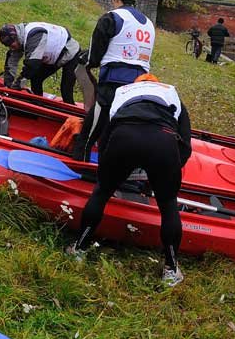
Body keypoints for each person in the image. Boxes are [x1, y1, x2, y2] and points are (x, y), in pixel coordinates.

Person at [67, 74, 192, 287]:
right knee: (168, 204)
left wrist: (108, 174)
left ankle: (79, 248)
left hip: (124, 135)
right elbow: (185, 146)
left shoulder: (122, 92)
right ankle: (171, 270)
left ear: (137, 85)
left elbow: (105, 139)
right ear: (156, 83)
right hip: (163, 138)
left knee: (101, 192)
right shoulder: (173, 94)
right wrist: (163, 177)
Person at [71, 0, 155, 161]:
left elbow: (95, 53)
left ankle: (80, 159)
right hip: (140, 84)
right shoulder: (149, 24)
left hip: (113, 83)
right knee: (117, 128)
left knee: (92, 128)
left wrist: (89, 63)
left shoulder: (111, 17)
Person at [0, 22, 81, 104]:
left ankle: (72, 111)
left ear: (16, 37)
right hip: (53, 54)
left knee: (66, 90)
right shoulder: (19, 39)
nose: (10, 47)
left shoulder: (33, 36)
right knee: (36, 79)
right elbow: (11, 62)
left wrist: (17, 85)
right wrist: (7, 86)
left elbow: (32, 66)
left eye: (11, 45)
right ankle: (38, 104)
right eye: (8, 45)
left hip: (70, 52)